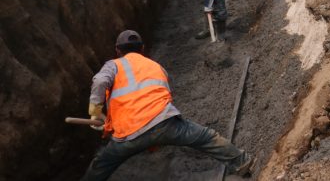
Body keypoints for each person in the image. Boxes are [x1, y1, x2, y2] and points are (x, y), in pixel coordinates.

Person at [82, 30, 253, 180]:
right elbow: (162, 99)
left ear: (117, 50)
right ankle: (242, 162)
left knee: (101, 165)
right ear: (142, 48)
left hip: (128, 135)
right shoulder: (156, 66)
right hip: (164, 123)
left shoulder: (113, 65)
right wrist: (154, 137)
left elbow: (99, 81)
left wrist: (95, 111)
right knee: (206, 138)